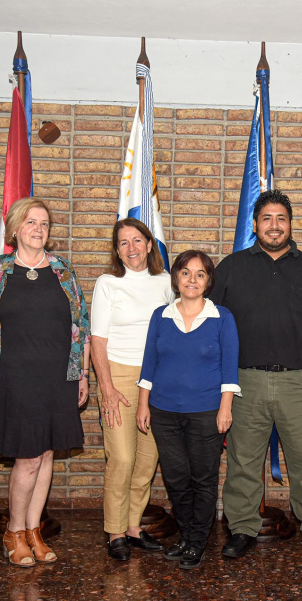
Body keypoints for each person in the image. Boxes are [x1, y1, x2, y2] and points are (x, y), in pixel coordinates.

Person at [211, 189, 302, 560]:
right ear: (255, 224)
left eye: (281, 219)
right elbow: (210, 322)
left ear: (290, 224)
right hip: (246, 382)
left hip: (301, 381)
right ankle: (241, 528)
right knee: (243, 460)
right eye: (267, 219)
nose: (274, 225)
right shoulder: (231, 267)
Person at [0, 197, 90, 568]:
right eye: (31, 222)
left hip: (57, 375)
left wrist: (82, 374)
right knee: (27, 457)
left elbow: (81, 327)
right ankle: (13, 531)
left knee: (46, 454)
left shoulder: (63, 270)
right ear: (14, 229)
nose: (38, 229)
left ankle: (33, 531)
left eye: (44, 223)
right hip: (13, 376)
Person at [135, 250, 240, 569]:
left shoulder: (222, 317)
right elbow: (149, 364)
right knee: (177, 478)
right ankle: (186, 534)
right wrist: (143, 404)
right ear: (176, 278)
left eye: (200, 274)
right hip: (164, 413)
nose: (192, 279)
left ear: (208, 282)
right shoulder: (160, 316)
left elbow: (229, 368)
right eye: (185, 272)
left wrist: (226, 408)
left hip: (206, 412)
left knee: (203, 479)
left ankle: (197, 541)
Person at [90, 218, 174, 561]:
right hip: (119, 378)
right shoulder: (108, 283)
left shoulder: (167, 282)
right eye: (123, 243)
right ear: (117, 250)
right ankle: (114, 532)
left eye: (137, 240)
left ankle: (133, 527)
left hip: (156, 381)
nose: (131, 248)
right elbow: (97, 340)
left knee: (147, 460)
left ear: (150, 244)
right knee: (122, 458)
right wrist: (106, 388)